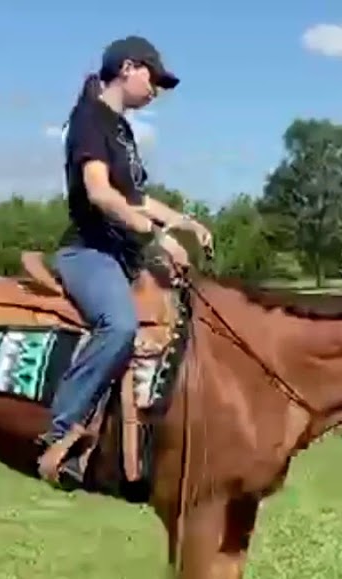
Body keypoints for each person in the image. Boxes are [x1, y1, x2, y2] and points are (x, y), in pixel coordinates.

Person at [38, 35, 213, 485]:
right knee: (119, 325)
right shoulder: (90, 120)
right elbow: (100, 193)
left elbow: (136, 197)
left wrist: (183, 222)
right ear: (129, 68)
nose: (156, 89)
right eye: (154, 78)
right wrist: (155, 239)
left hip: (123, 254)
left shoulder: (121, 129)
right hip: (90, 252)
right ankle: (61, 430)